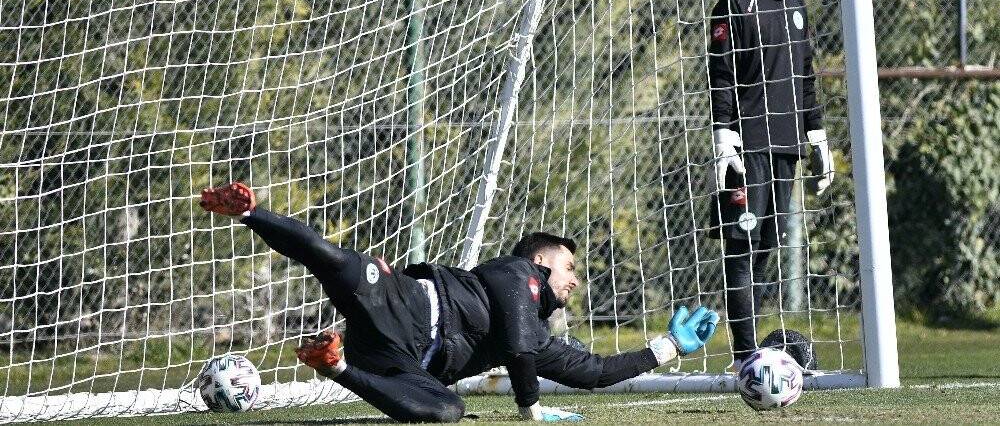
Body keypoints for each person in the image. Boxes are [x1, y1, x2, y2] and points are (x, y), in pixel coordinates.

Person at [200, 182, 719, 423]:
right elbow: (516, 346)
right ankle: (250, 214)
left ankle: (334, 366)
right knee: (335, 261)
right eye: (569, 268)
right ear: (540, 261)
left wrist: (668, 346)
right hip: (404, 303)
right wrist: (530, 409)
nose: (575, 282)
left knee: (447, 410)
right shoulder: (515, 273)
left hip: (399, 364)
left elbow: (595, 372)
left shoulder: (536, 336)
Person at [707, 0, 833, 368]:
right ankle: (743, 356)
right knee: (741, 243)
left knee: (767, 248)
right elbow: (720, 76)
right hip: (748, 146)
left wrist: (816, 135)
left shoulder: (798, 4)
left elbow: (805, 75)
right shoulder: (736, 3)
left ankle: (751, 348)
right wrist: (723, 137)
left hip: (786, 148)